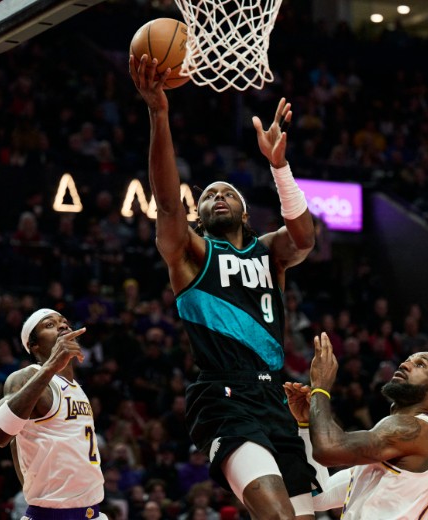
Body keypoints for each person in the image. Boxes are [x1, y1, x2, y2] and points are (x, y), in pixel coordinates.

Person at [130, 55, 317, 520]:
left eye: (227, 193)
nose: (217, 197)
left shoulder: (269, 251)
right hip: (225, 397)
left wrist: (279, 168)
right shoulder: (191, 254)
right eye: (209, 194)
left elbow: (305, 239)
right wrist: (159, 113)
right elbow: (170, 204)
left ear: (245, 212)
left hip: (274, 396)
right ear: (200, 212)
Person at [283, 332, 428, 519]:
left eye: (420, 364)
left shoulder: (416, 429)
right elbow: (320, 497)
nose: (405, 364)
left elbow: (328, 449)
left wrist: (321, 387)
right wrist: (307, 425)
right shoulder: (384, 451)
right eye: (407, 360)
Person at [0, 308, 106, 520]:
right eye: (49, 325)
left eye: (64, 322)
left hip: (92, 514)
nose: (62, 326)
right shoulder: (25, 377)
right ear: (34, 345)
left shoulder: (77, 387)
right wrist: (51, 366)